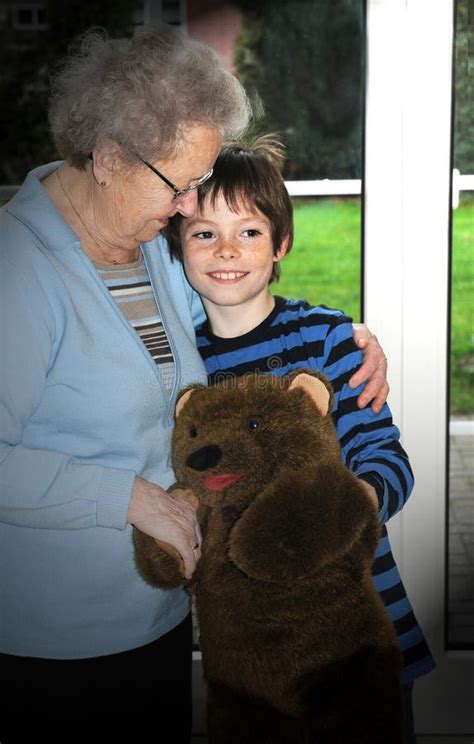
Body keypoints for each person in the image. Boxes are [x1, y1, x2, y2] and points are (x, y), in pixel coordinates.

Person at [0, 27, 388, 742]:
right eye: (179, 185)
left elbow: (236, 322)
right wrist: (128, 498)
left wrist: (352, 340)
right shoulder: (18, 272)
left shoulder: (144, 246)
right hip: (61, 644)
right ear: (111, 159)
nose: (187, 211)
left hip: (167, 615)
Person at [165, 134, 436, 743]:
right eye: (204, 233)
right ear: (179, 248)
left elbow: (388, 462)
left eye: (250, 231)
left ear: (281, 242)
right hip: (252, 659)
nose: (226, 250)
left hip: (359, 628)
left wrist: (342, 510)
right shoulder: (183, 366)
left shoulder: (328, 339)